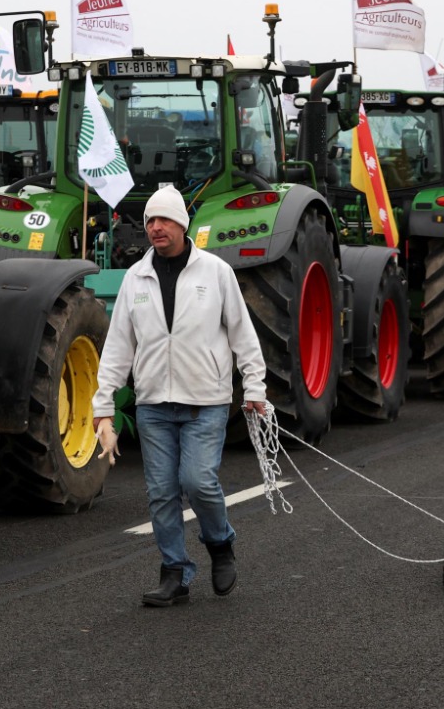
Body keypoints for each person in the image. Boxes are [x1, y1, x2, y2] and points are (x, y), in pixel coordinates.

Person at [92, 184, 267, 607]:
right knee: (161, 493)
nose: (155, 228)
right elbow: (117, 348)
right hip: (153, 406)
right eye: (150, 221)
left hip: (205, 403)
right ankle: (175, 573)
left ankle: (220, 543)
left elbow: (243, 335)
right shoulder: (136, 277)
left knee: (198, 482)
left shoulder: (215, 272)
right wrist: (103, 410)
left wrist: (255, 387)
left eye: (164, 220)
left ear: (182, 225)